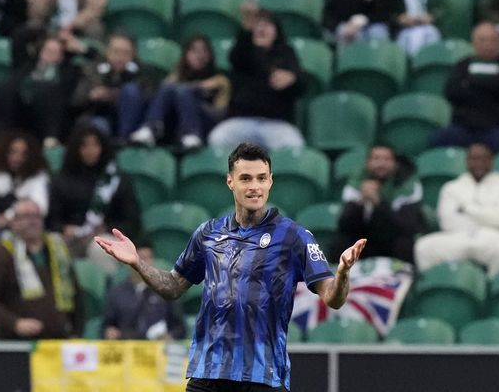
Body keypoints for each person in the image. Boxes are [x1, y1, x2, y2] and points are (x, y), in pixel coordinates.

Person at [95, 143, 366, 391]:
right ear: (230, 182)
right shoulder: (208, 233)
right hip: (208, 373)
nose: (254, 187)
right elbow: (174, 286)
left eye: (261, 178)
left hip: (264, 376)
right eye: (245, 178)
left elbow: (333, 297)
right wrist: (138, 264)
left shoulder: (294, 237)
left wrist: (342, 273)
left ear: (271, 181)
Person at [0, 198, 85, 340]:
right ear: (13, 221)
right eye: (25, 217)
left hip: (59, 341)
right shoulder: (0, 254)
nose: (31, 221)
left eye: (36, 216)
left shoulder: (58, 251)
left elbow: (76, 294)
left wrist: (76, 332)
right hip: (18, 345)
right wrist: (15, 323)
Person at [207, 6, 306, 150]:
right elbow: (236, 55)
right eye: (258, 25)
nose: (262, 28)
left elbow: (302, 85)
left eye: (267, 25)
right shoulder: (243, 52)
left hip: (276, 124)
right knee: (217, 139)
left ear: (276, 31)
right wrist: (246, 28)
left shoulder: (286, 53)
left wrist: (293, 79)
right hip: (241, 121)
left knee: (294, 146)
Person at [414, 143, 499, 277]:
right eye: (474, 159)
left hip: (493, 238)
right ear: (467, 161)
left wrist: (467, 209)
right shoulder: (451, 187)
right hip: (458, 236)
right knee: (424, 246)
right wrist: (489, 215)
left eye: (483, 159)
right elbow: (447, 222)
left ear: (491, 161)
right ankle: (435, 288)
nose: (479, 163)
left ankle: (494, 290)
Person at [48, 123, 141, 274]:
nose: (90, 151)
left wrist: (106, 227)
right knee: (54, 245)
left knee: (100, 248)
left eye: (95, 145)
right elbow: (52, 220)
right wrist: (63, 229)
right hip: (71, 238)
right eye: (84, 146)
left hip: (104, 236)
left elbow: (132, 221)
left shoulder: (117, 179)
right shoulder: (61, 180)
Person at [0, 34, 90, 146]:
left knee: (47, 90)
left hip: (53, 114)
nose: (50, 54)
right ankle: (1, 136)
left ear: (61, 56)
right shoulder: (28, 66)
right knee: (4, 88)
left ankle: (50, 138)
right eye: (47, 50)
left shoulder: (68, 71)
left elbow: (95, 65)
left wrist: (81, 48)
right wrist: (49, 31)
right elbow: (21, 38)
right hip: (22, 109)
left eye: (55, 52)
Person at [129, 34, 231, 149]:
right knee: (169, 89)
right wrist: (197, 86)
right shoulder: (177, 76)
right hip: (176, 127)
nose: (199, 55)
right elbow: (162, 98)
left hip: (205, 125)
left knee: (183, 92)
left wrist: (195, 93)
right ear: (185, 54)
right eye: (194, 51)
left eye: (204, 51)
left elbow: (220, 115)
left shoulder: (219, 80)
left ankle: (192, 134)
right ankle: (150, 128)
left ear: (210, 55)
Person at [430, 22, 499, 153]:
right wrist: (490, 87)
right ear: (474, 43)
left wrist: (470, 83)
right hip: (462, 126)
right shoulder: (462, 65)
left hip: (495, 126)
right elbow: (452, 91)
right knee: (438, 139)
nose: (488, 45)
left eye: (493, 40)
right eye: (482, 40)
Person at [332, 145, 425, 264]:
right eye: (376, 159)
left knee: (404, 244)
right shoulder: (356, 183)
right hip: (365, 238)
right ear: (367, 163)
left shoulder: (407, 185)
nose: (381, 164)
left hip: (393, 238)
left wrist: (378, 203)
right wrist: (360, 203)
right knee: (341, 242)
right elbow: (344, 225)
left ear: (395, 163)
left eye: (386, 159)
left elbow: (407, 226)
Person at [71, 32, 161, 140]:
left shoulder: (143, 71)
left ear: (133, 54)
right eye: (116, 51)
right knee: (98, 126)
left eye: (126, 53)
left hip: (133, 120)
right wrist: (92, 96)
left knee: (130, 90)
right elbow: (76, 100)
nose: (120, 57)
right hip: (99, 115)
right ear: (107, 51)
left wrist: (117, 95)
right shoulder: (92, 69)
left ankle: (125, 141)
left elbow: (150, 96)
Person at [101, 237, 187, 340]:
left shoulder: (165, 290)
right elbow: (106, 326)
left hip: (157, 349)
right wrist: (110, 332)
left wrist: (170, 336)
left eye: (149, 258)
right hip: (126, 348)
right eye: (141, 258)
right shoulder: (117, 293)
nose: (145, 263)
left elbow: (180, 327)